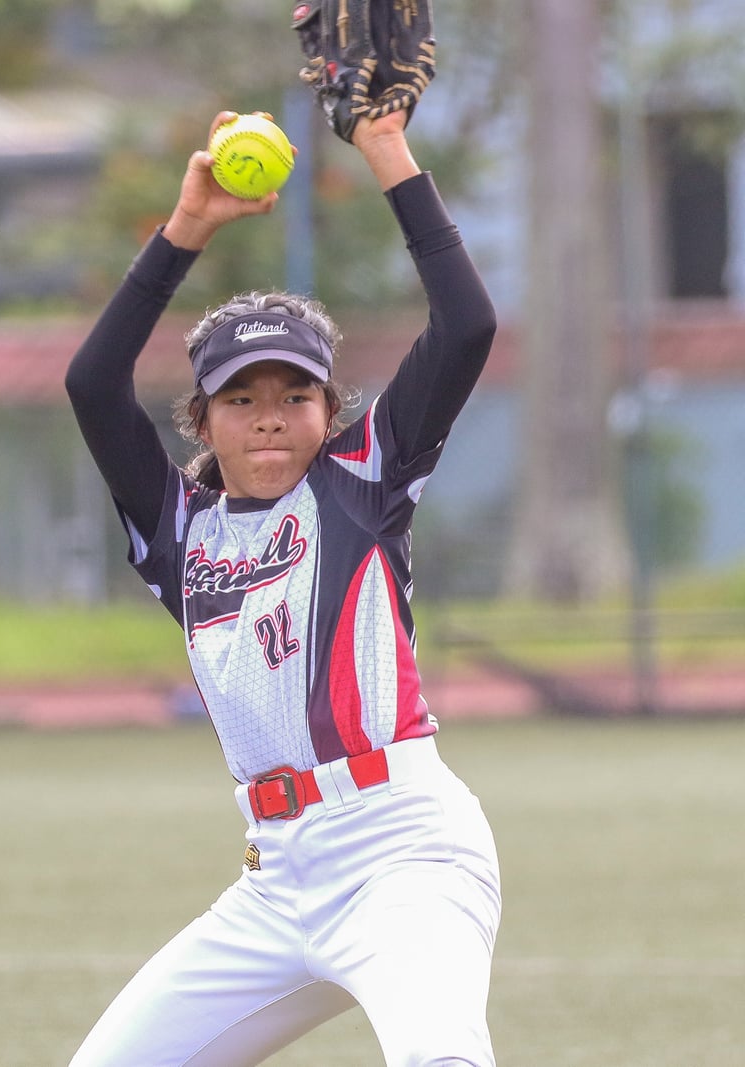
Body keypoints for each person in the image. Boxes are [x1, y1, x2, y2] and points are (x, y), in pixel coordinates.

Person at [65, 104, 501, 1067]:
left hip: (404, 855)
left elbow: (467, 325)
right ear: (204, 421)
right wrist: (187, 228)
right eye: (242, 399)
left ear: (329, 411)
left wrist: (386, 150)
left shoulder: (361, 481)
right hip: (275, 881)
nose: (270, 420)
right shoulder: (181, 530)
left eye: (295, 395)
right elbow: (94, 384)